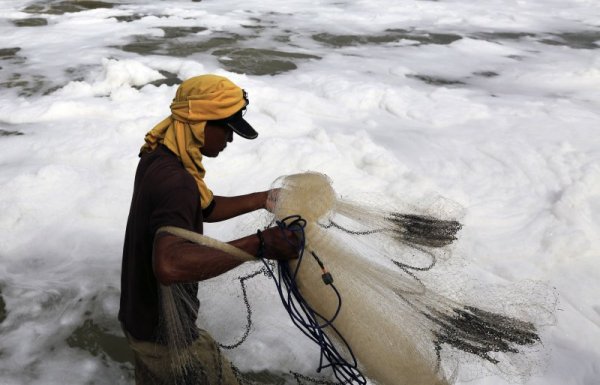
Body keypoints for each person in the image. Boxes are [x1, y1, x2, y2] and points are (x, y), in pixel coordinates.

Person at [118, 74, 299, 385]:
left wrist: (262, 200)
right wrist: (261, 244)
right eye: (227, 129)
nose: (230, 140)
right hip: (165, 342)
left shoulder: (159, 156)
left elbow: (203, 208)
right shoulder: (177, 182)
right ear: (200, 122)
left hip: (140, 320)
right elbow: (169, 264)